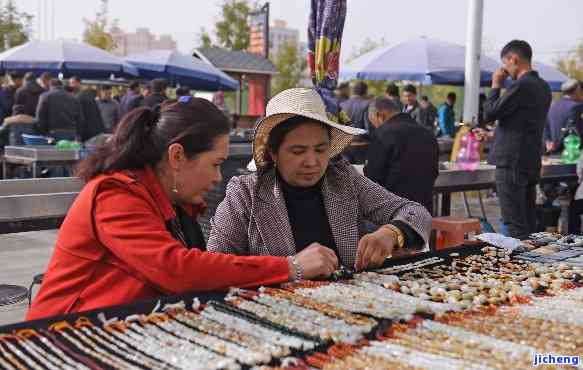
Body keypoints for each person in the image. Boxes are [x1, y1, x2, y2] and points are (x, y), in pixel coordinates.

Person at [26, 97, 334, 320]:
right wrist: (289, 266)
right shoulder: (115, 195)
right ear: (177, 157)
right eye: (216, 164)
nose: (217, 178)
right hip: (65, 334)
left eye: (320, 150)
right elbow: (178, 269)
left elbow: (202, 265)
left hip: (126, 324)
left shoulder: (173, 200)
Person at [207, 88, 431, 270]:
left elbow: (415, 212)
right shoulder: (246, 194)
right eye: (297, 151)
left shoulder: (342, 178)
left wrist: (390, 233)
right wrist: (290, 267)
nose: (312, 162)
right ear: (273, 153)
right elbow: (215, 265)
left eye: (320, 149)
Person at [482, 40, 552, 239]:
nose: (504, 69)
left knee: (514, 224)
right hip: (530, 159)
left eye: (505, 63)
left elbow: (490, 112)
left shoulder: (522, 85)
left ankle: (520, 266)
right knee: (528, 221)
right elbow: (521, 122)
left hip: (511, 162)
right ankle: (533, 265)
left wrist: (495, 85)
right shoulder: (544, 87)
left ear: (514, 59)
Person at [365, 98, 439, 213]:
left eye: (374, 123)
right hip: (424, 210)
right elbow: (434, 171)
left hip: (394, 211)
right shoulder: (428, 134)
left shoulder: (383, 133)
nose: (376, 127)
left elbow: (373, 176)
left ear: (380, 115)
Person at [544, 79, 583, 154]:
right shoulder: (578, 107)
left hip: (554, 154)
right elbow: (574, 132)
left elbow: (546, 128)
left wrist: (548, 142)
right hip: (573, 156)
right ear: (578, 91)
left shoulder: (553, 106)